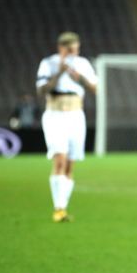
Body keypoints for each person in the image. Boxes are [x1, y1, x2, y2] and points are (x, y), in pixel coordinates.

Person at [36, 32, 97, 222]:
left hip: (76, 116)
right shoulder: (48, 63)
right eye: (70, 49)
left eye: (76, 49)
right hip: (55, 115)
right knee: (60, 159)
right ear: (61, 48)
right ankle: (58, 208)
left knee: (70, 165)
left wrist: (79, 78)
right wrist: (60, 72)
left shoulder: (83, 64)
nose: (73, 53)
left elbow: (95, 89)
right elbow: (41, 90)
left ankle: (62, 207)